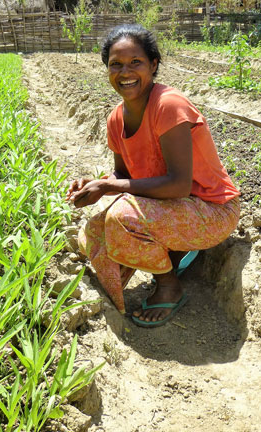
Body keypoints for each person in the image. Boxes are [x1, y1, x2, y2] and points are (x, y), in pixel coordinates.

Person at [67, 24, 240, 328]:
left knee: (120, 218)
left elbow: (178, 184)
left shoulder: (168, 105)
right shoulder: (116, 118)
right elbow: (124, 175)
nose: (125, 72)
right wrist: (95, 185)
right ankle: (159, 258)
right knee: (92, 233)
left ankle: (169, 284)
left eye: (136, 62)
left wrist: (109, 185)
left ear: (154, 65)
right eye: (115, 64)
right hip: (172, 206)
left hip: (211, 210)